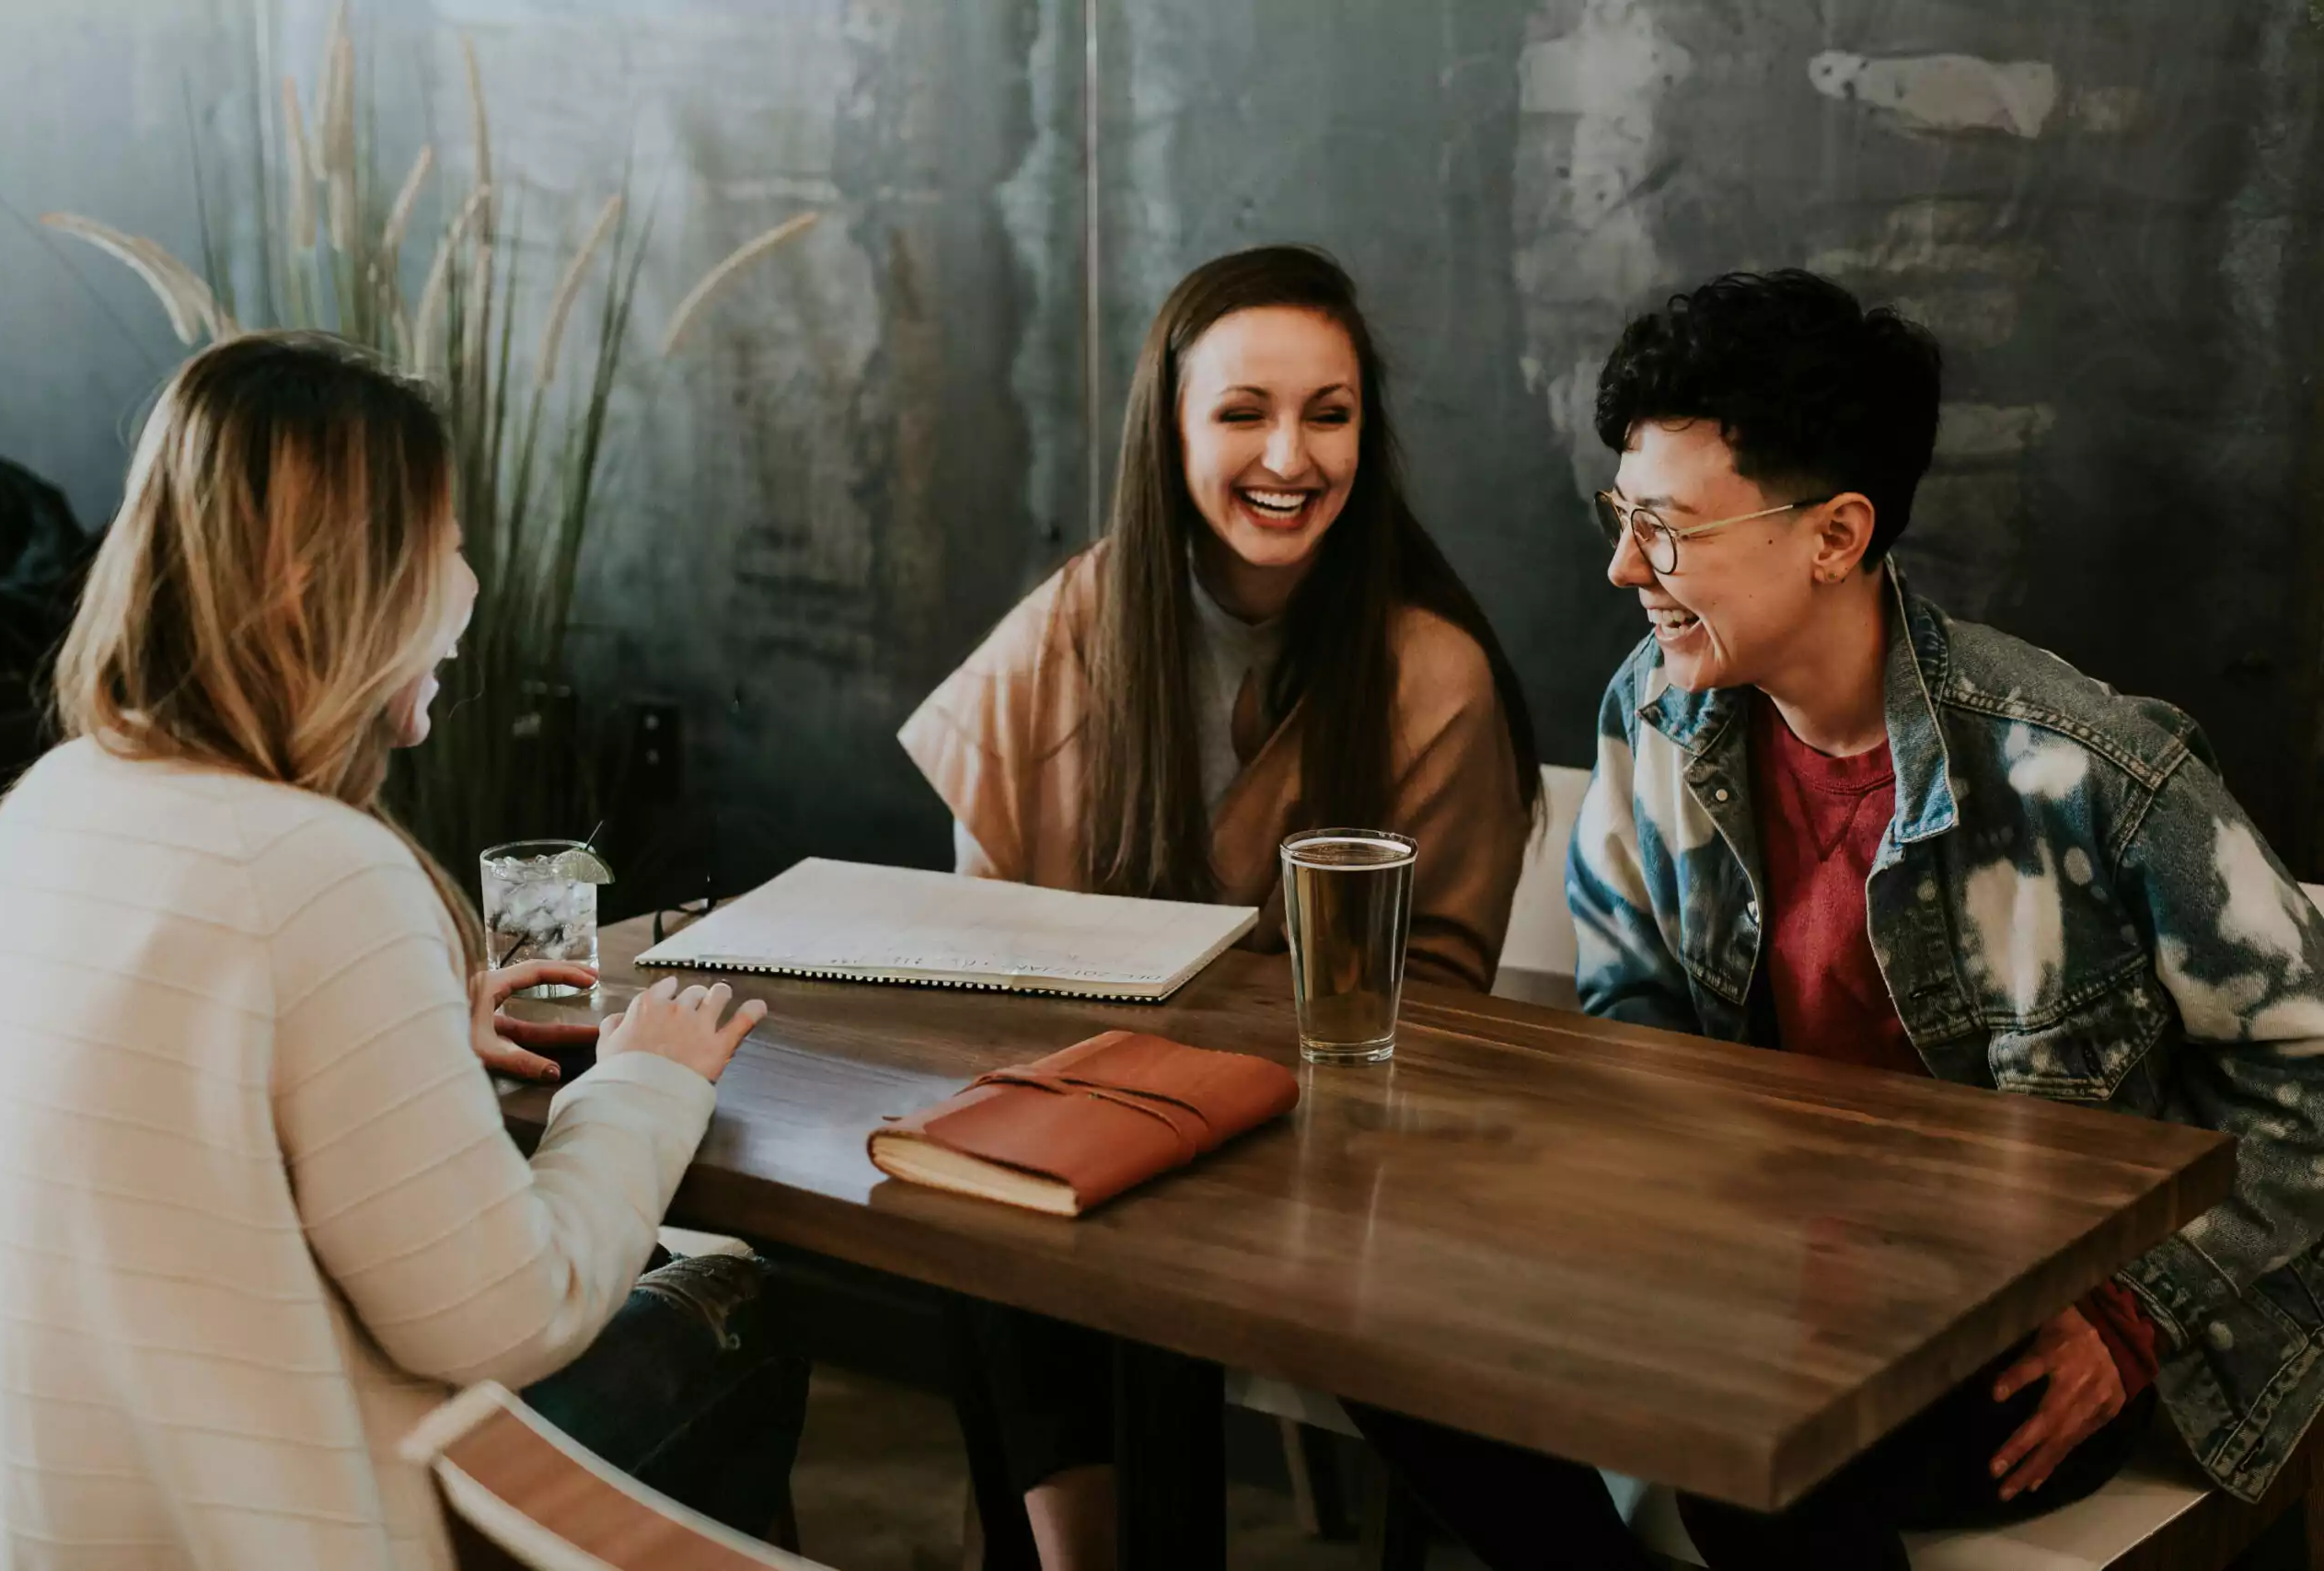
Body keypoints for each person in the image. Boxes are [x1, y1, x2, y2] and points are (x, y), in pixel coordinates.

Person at [1358, 268, 2324, 1570]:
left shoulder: (2085, 770)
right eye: (1622, 514)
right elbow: (1634, 1018)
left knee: (1757, 1444)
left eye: (1668, 527)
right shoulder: (1656, 711)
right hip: (1752, 1282)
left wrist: (2137, 1313)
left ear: (1835, 535)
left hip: (2015, 1323)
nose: (1622, 564)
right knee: (1384, 1329)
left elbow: (2306, 1071)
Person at [0, 333, 805, 1571]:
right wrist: (649, 1079)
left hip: (63, 1526)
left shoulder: (47, 806)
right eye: (446, 544)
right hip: (280, 1531)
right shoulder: (319, 868)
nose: (468, 585)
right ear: (330, 582)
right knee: (745, 1311)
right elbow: (504, 1313)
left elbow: (163, 1116)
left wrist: (407, 1026)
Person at [899, 244, 1539, 1568]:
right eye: (1244, 411)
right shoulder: (1079, 619)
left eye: (1330, 412)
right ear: (1172, 428)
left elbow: (1438, 1013)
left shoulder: (1432, 673)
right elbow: (977, 943)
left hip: (1336, 1159)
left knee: (1094, 1224)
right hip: (1099, 1122)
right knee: (978, 1186)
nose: (1289, 456)